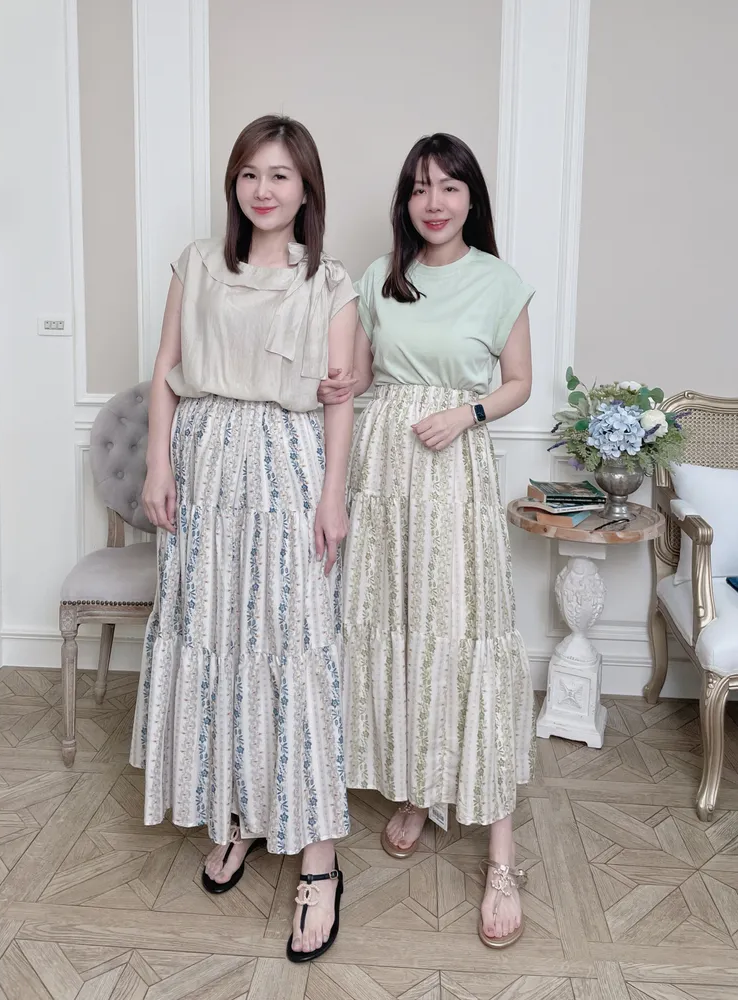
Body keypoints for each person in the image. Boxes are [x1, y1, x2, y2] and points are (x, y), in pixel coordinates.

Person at [130, 115, 358, 963]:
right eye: (251, 173)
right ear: (235, 184)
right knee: (216, 640)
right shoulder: (197, 264)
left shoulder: (329, 281)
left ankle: (320, 863)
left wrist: (332, 495)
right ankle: (238, 812)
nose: (264, 189)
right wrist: (159, 464)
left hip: (289, 468)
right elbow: (165, 373)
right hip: (204, 464)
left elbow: (340, 397)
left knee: (295, 646)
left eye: (281, 175)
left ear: (306, 190)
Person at [319, 133, 535, 949]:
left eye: (448, 186)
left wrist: (467, 412)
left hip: (453, 472)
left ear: (472, 197)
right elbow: (360, 375)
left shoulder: (500, 281)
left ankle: (502, 855)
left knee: (465, 635)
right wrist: (339, 383)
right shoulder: (381, 275)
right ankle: (417, 789)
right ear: (405, 202)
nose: (433, 202)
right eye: (419, 188)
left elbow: (518, 382)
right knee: (396, 631)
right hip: (382, 469)